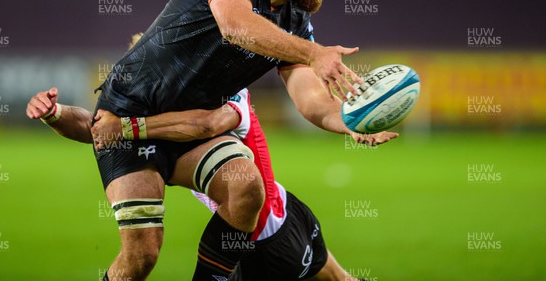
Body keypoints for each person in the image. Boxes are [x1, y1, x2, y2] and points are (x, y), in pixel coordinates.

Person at [60, 0, 397, 280]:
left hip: (196, 131)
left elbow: (310, 100)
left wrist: (350, 120)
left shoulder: (294, 20)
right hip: (129, 116)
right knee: (142, 255)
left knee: (246, 188)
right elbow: (236, 26)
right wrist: (313, 54)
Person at [27, 86, 370, 281]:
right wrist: (55, 115)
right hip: (274, 213)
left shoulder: (226, 94)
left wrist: (129, 127)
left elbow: (205, 126)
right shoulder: (165, 116)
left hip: (266, 241)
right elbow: (98, 128)